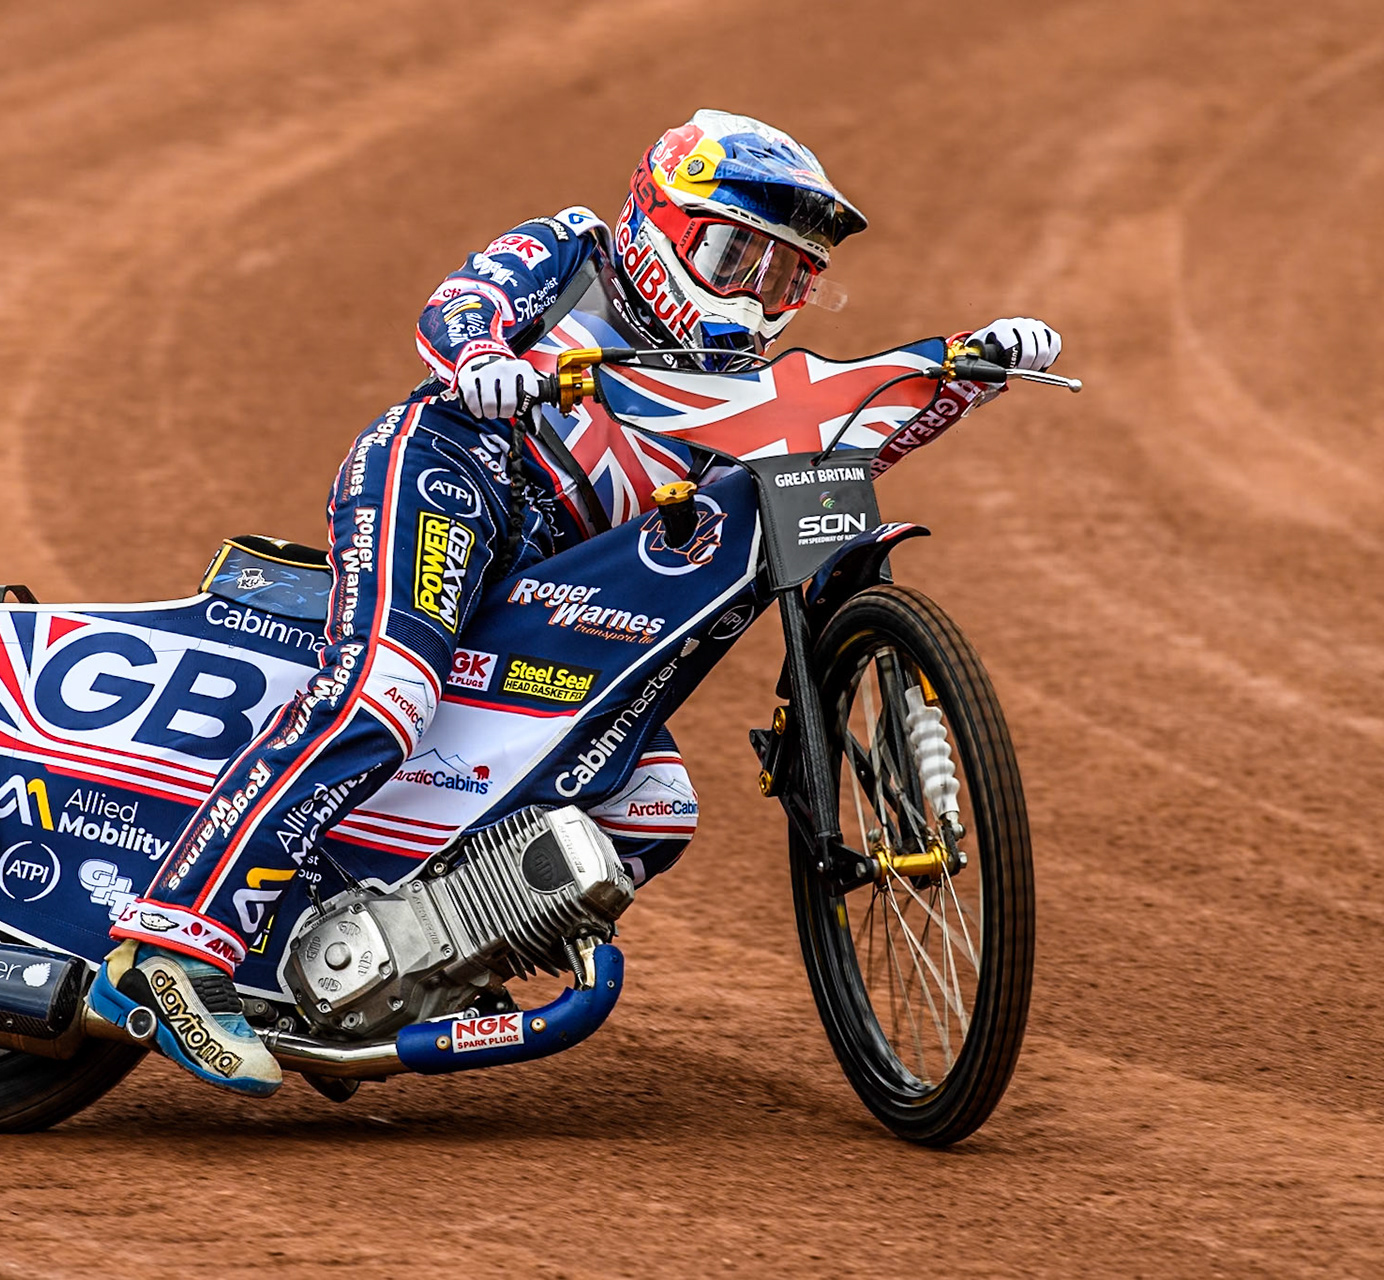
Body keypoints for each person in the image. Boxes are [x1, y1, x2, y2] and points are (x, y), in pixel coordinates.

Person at [87, 109, 1063, 1095]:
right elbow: (460, 303)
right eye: (733, 256)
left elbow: (847, 432)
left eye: (782, 277)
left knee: (653, 804)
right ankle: (171, 945)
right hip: (452, 474)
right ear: (660, 223)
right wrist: (483, 359)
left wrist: (965, 364)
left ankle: (412, 962)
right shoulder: (578, 248)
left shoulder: (740, 394)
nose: (753, 297)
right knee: (384, 685)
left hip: (551, 585)